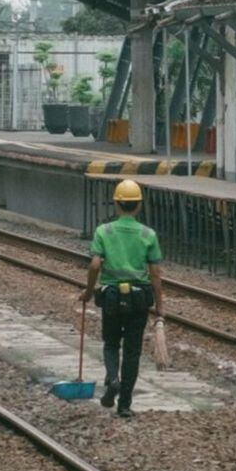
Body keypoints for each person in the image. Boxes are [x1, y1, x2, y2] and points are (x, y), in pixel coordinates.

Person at [78, 179, 166, 419]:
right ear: (138, 206)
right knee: (132, 351)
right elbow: (156, 274)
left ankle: (112, 379)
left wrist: (88, 291)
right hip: (139, 299)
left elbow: (95, 263)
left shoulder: (103, 231)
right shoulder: (148, 234)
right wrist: (160, 308)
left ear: (116, 204)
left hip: (112, 298)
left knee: (111, 343)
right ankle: (125, 405)